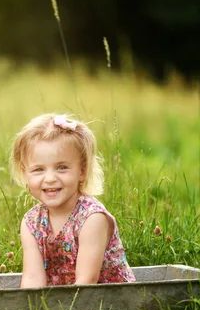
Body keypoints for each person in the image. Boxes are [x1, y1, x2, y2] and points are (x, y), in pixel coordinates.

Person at [9, 113, 136, 287]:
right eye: (38, 169)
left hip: (106, 304)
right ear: (25, 174)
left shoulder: (91, 218)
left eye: (62, 168)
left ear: (82, 171)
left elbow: (87, 282)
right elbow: (32, 279)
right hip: (61, 305)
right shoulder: (31, 222)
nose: (50, 178)